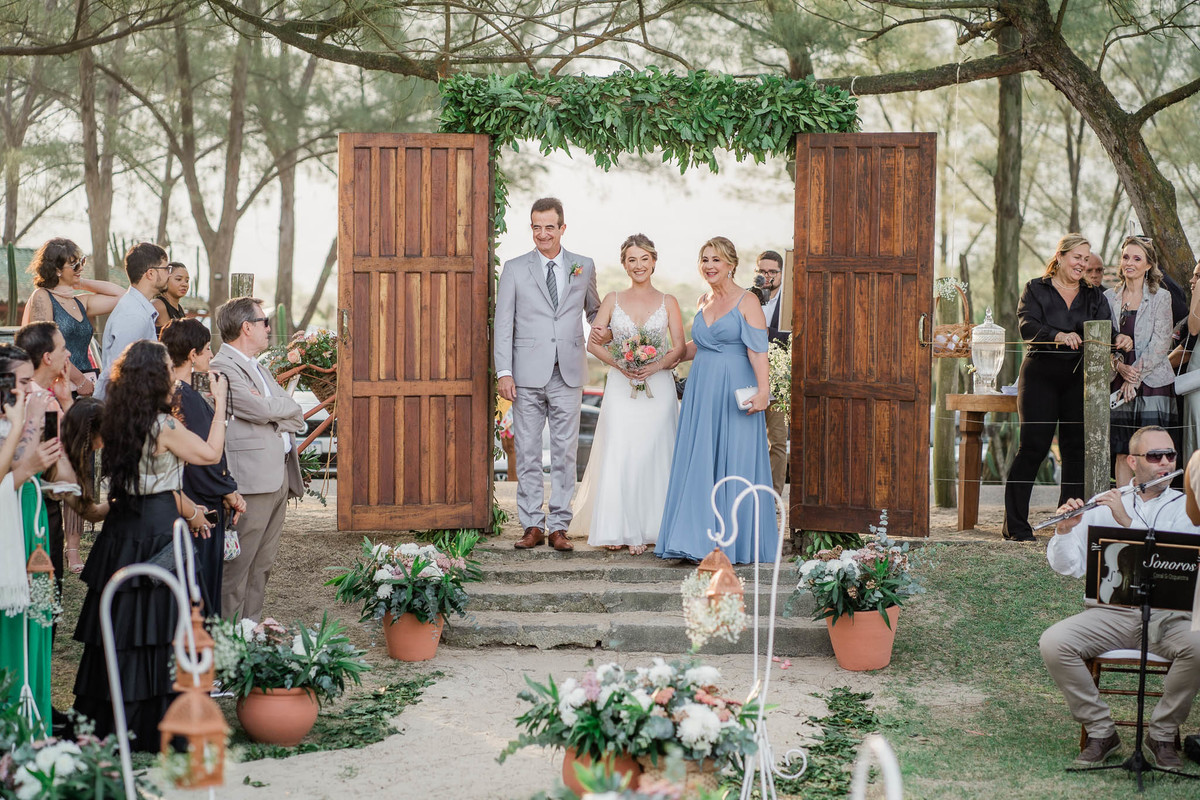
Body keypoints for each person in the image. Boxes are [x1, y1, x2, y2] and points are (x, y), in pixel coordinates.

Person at [72, 340, 228, 749]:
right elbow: (210, 455)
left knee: (121, 623)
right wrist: (221, 404)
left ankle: (115, 720)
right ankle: (164, 720)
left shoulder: (115, 421)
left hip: (123, 528)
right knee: (163, 621)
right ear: (154, 378)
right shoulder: (163, 426)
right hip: (160, 528)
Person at [1040, 426, 1200, 768]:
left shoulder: (1187, 507)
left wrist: (1125, 523)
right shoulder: (1105, 502)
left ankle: (1161, 734)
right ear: (1132, 461)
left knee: (1199, 644)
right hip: (1112, 612)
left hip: (1167, 615)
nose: (1165, 463)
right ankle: (1101, 731)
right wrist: (1065, 530)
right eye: (1155, 456)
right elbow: (1067, 567)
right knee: (1054, 642)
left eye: (1170, 455)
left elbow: (1174, 555)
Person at [655, 237, 777, 564]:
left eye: (717, 260)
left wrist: (763, 391)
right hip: (701, 390)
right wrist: (665, 359)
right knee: (700, 460)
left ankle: (732, 542)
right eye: (705, 259)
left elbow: (757, 349)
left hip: (734, 388)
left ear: (732, 265)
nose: (709, 266)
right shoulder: (703, 300)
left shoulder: (747, 301)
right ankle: (694, 539)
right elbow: (701, 343)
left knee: (733, 460)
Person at [494, 197, 601, 552]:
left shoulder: (583, 266)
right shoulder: (513, 268)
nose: (542, 233)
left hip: (568, 372)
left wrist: (619, 332)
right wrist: (504, 372)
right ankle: (531, 525)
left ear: (562, 228)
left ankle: (558, 526)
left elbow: (595, 313)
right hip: (525, 374)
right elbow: (503, 324)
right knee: (525, 450)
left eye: (549, 227)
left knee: (565, 452)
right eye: (536, 227)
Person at [568, 234, 684, 554]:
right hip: (621, 386)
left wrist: (655, 365)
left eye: (644, 259)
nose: (638, 265)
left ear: (654, 261)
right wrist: (620, 362)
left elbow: (679, 348)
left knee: (653, 452)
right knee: (620, 450)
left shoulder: (669, 301)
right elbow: (594, 343)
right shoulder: (612, 299)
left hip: (657, 387)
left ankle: (652, 527)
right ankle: (617, 528)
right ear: (624, 264)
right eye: (632, 260)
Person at [1002, 234, 1111, 542]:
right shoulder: (1036, 289)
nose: (1083, 264)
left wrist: (1119, 340)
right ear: (1060, 256)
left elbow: (1106, 329)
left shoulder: (1094, 295)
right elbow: (1027, 326)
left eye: (1086, 259)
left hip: (1078, 378)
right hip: (1040, 376)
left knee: (1075, 450)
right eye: (1077, 257)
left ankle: (1069, 525)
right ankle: (1016, 526)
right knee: (1033, 447)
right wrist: (1058, 335)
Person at [210, 297, 305, 621]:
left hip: (278, 478)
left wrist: (273, 410)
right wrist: (275, 409)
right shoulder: (222, 367)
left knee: (262, 567)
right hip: (250, 483)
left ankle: (250, 641)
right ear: (246, 327)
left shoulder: (259, 367)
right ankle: (229, 644)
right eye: (264, 322)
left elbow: (295, 412)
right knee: (238, 569)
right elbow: (264, 409)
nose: (269, 328)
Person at [162, 318, 245, 617]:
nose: (212, 355)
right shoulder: (185, 398)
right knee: (200, 589)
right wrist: (229, 492)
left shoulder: (172, 393)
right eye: (208, 349)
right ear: (193, 353)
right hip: (199, 505)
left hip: (185, 496)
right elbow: (203, 458)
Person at [0, 343, 63, 736]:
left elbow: (52, 475)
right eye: (23, 382)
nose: (31, 389)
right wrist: (29, 459)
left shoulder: (26, 419)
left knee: (37, 617)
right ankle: (13, 725)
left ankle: (36, 718)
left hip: (34, 527)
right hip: (10, 533)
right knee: (12, 622)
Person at [14, 321, 80, 585]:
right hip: (37, 507)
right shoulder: (39, 401)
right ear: (47, 357)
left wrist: (65, 400)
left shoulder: (43, 397)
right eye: (64, 348)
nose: (69, 354)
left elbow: (64, 446)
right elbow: (73, 451)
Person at [1105, 236, 1175, 486]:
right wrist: (1119, 366)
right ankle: (1124, 513)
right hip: (1118, 382)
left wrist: (1134, 377)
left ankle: (1151, 510)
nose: (1129, 263)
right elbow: (1104, 342)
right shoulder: (1107, 297)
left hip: (1152, 381)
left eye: (1137, 258)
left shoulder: (1161, 297)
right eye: (1125, 257)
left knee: (1153, 453)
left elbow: (1161, 344)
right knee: (1123, 450)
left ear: (1148, 265)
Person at [21, 237, 124, 397]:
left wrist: (80, 282)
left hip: (86, 386)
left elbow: (121, 296)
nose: (81, 268)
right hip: (56, 387)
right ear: (57, 269)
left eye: (81, 262)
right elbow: (44, 345)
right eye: (75, 265)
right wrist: (80, 380)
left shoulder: (80, 301)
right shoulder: (42, 296)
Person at [95, 242, 170, 400]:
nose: (169, 274)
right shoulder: (133, 315)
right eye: (166, 269)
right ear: (150, 273)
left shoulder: (138, 309)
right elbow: (119, 373)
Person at [756, 250, 790, 497]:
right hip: (749, 379)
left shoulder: (791, 302)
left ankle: (774, 496)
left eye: (772, 272)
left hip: (778, 381)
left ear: (781, 273)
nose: (767, 276)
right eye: (762, 271)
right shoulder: (747, 297)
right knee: (749, 440)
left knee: (777, 441)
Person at [152, 262, 190, 337]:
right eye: (179, 279)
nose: (184, 284)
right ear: (165, 280)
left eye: (187, 281)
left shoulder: (180, 308)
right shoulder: (157, 306)